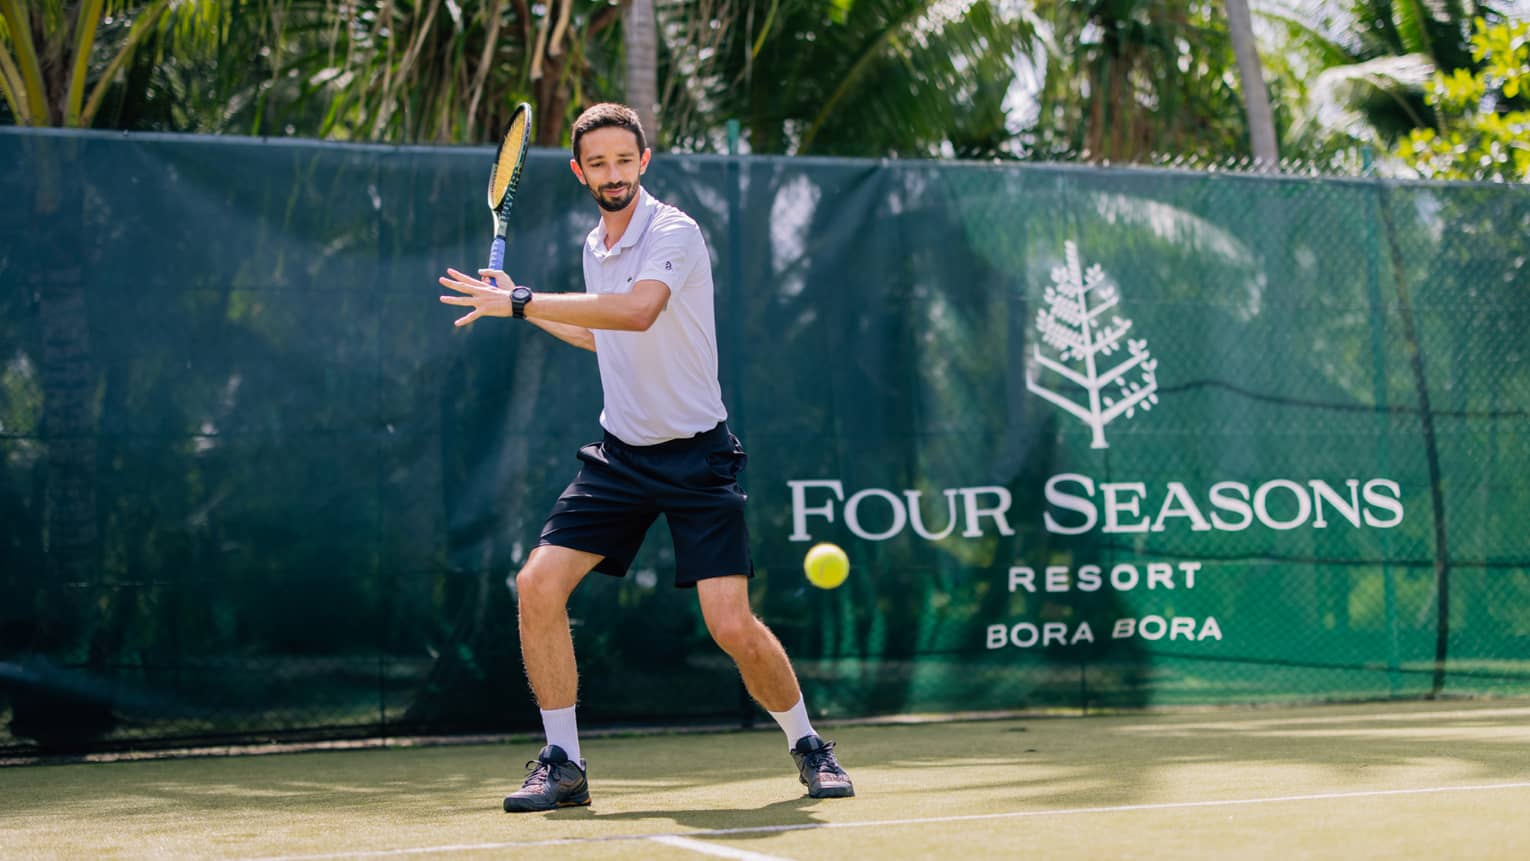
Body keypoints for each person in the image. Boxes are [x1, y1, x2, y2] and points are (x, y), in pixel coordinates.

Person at [438, 102, 854, 812]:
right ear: (580, 172)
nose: (613, 174)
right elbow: (607, 338)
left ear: (644, 162)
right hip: (619, 457)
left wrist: (526, 301)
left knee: (731, 626)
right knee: (538, 585)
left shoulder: (674, 231)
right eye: (597, 164)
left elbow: (637, 312)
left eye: (624, 160)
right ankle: (563, 762)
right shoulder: (593, 247)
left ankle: (809, 743)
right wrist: (529, 308)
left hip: (698, 458)